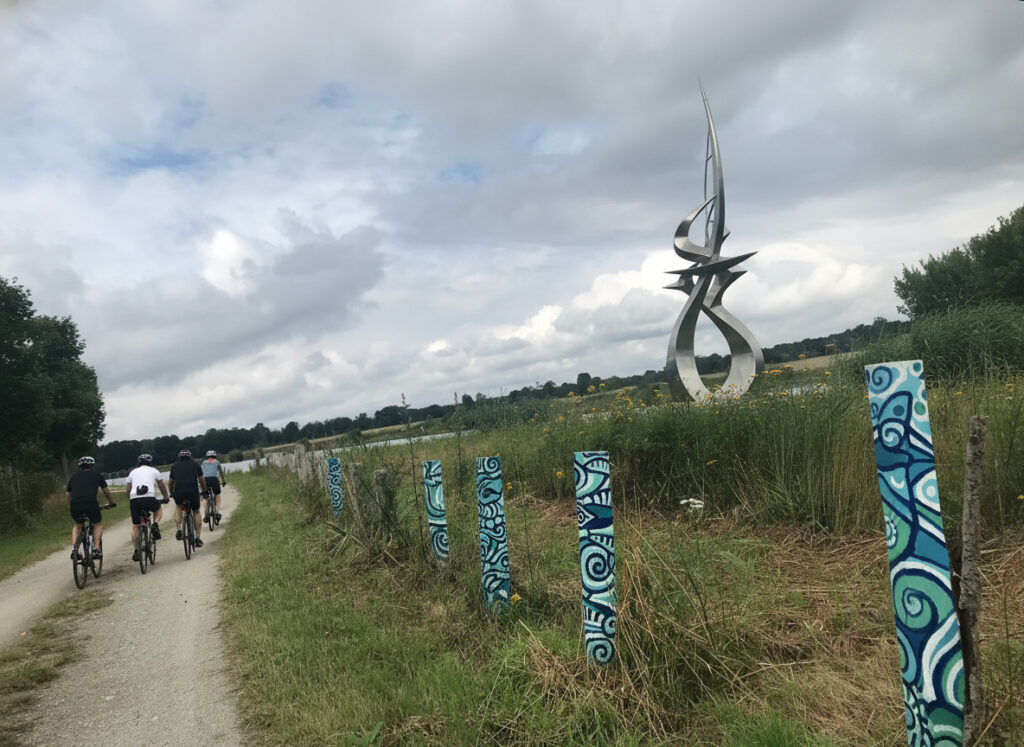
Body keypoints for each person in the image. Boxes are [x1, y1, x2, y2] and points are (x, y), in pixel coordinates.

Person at [67, 456, 115, 559]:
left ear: (80, 467)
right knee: (97, 524)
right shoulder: (97, 475)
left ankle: (74, 550)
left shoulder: (74, 477)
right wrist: (111, 502)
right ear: (92, 466)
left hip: (75, 505)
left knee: (77, 525)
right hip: (91, 504)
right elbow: (105, 490)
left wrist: (70, 505)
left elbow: (68, 494)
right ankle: (96, 548)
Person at [125, 454, 170, 561]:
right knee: (157, 508)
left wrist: (130, 498)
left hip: (135, 499)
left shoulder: (132, 472)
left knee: (136, 526)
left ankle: (136, 550)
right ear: (150, 462)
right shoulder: (154, 471)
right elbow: (161, 486)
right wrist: (166, 497)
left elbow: (128, 489)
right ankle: (155, 524)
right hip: (149, 497)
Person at [168, 449, 207, 548]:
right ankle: (197, 538)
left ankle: (179, 529)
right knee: (196, 511)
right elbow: (201, 479)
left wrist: (171, 492)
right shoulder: (195, 464)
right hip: (192, 491)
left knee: (178, 507)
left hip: (179, 491)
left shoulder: (174, 466)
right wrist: (205, 491)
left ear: (179, 457)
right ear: (190, 456)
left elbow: (170, 482)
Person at [200, 450, 227, 524]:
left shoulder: (203, 462)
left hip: (205, 480)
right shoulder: (217, 462)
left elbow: (200, 473)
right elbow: (221, 473)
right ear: (215, 456)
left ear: (207, 456)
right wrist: (223, 481)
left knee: (205, 496)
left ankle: (206, 515)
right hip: (214, 479)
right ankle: (217, 513)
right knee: (217, 494)